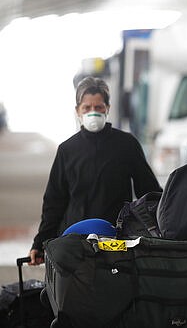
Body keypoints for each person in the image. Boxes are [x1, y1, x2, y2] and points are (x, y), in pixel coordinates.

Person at [29, 76, 161, 265]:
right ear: (78, 111)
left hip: (116, 240)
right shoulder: (67, 150)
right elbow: (54, 202)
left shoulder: (126, 144)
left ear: (107, 108)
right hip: (74, 240)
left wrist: (161, 232)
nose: (93, 113)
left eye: (98, 107)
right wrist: (40, 242)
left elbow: (149, 193)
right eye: (87, 108)